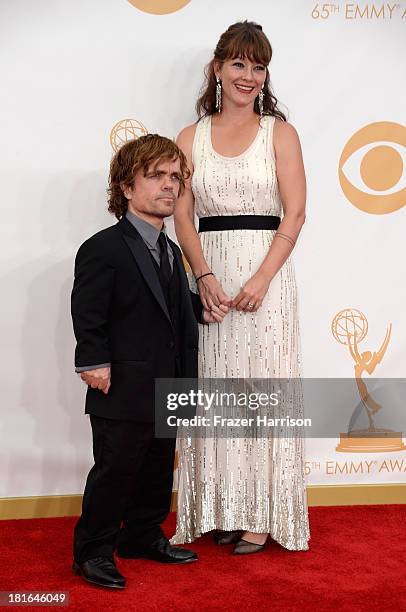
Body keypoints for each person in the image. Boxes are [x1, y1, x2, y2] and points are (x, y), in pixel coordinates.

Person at [171, 21, 310, 553]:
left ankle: (262, 514)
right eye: (238, 64)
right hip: (210, 279)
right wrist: (203, 277)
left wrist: (261, 278)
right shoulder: (190, 137)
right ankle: (221, 507)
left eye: (258, 66)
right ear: (218, 68)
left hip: (266, 279)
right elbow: (184, 219)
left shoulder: (281, 132)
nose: (248, 76)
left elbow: (294, 213)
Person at [71, 134, 229, 589]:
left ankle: (141, 536)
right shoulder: (103, 247)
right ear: (126, 186)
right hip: (122, 383)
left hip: (170, 381)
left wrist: (202, 306)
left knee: (158, 466)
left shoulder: (171, 250)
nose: (169, 186)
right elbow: (89, 312)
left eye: (176, 177)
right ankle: (93, 552)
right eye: (156, 175)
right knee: (116, 470)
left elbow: (167, 306)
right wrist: (92, 360)